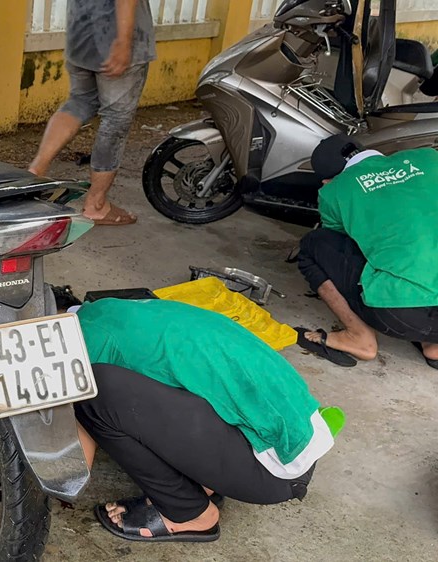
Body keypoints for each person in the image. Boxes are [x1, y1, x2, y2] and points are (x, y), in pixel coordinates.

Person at [53, 290, 338, 543]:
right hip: (295, 433)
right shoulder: (116, 308)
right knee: (153, 384)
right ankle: (204, 481)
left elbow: (76, 465)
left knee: (96, 393)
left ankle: (188, 513)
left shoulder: (85, 343)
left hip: (273, 468)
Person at [294, 135, 438, 368]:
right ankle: (434, 347)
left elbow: (342, 241)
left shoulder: (335, 190)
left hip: (401, 312)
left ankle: (358, 336)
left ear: (327, 179)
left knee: (314, 245)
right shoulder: (428, 157)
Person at [28, 0, 156, 226]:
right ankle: (96, 204)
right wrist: (123, 41)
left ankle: (36, 170)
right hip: (114, 35)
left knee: (79, 102)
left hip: (81, 33)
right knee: (116, 117)